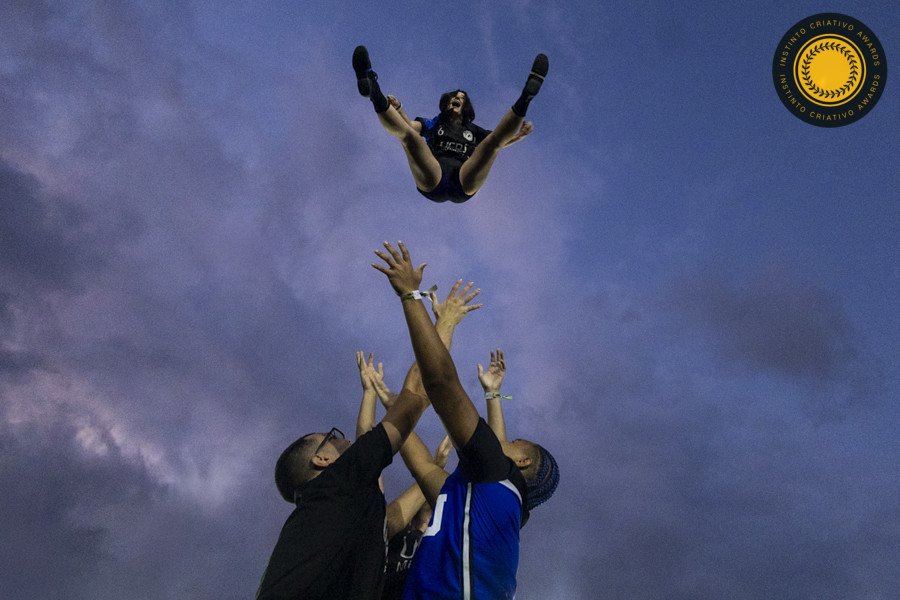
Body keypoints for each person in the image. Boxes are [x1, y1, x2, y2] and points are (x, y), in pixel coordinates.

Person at [372, 241, 560, 600]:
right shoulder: (492, 506)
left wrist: (414, 299)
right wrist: (393, 404)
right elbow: (423, 465)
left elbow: (441, 382)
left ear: (520, 461)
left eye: (516, 440)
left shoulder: (496, 479)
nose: (506, 439)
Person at [352, 46, 548, 204]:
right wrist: (400, 109)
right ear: (447, 103)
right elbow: (410, 128)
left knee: (491, 144)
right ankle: (372, 87)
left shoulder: (472, 129)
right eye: (455, 96)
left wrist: (518, 136)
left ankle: (527, 95)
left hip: (463, 180)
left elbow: (500, 140)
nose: (457, 98)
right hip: (433, 175)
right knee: (409, 138)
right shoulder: (435, 122)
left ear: (465, 106)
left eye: (461, 98)